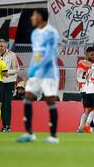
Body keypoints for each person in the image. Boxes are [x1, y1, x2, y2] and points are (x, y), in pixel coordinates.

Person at [17, 9, 60, 144]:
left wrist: (39, 69)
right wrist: (31, 72)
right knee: (28, 96)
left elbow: (50, 55)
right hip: (36, 73)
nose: (32, 18)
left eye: (34, 15)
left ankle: (53, 136)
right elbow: (36, 54)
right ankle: (29, 133)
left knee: (50, 101)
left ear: (40, 17)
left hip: (49, 73)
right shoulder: (35, 33)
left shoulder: (52, 33)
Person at [0, 39, 20, 132]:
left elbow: (17, 69)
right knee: (1, 105)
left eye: (2, 46)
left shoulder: (12, 55)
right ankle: (3, 126)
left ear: (6, 46)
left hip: (10, 83)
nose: (0, 48)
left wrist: (5, 72)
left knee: (7, 104)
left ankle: (8, 126)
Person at [76, 47, 94, 133]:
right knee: (90, 109)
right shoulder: (82, 62)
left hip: (90, 88)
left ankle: (83, 127)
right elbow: (86, 64)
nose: (93, 56)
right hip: (85, 88)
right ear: (86, 54)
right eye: (91, 54)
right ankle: (83, 127)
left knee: (91, 109)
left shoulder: (93, 64)